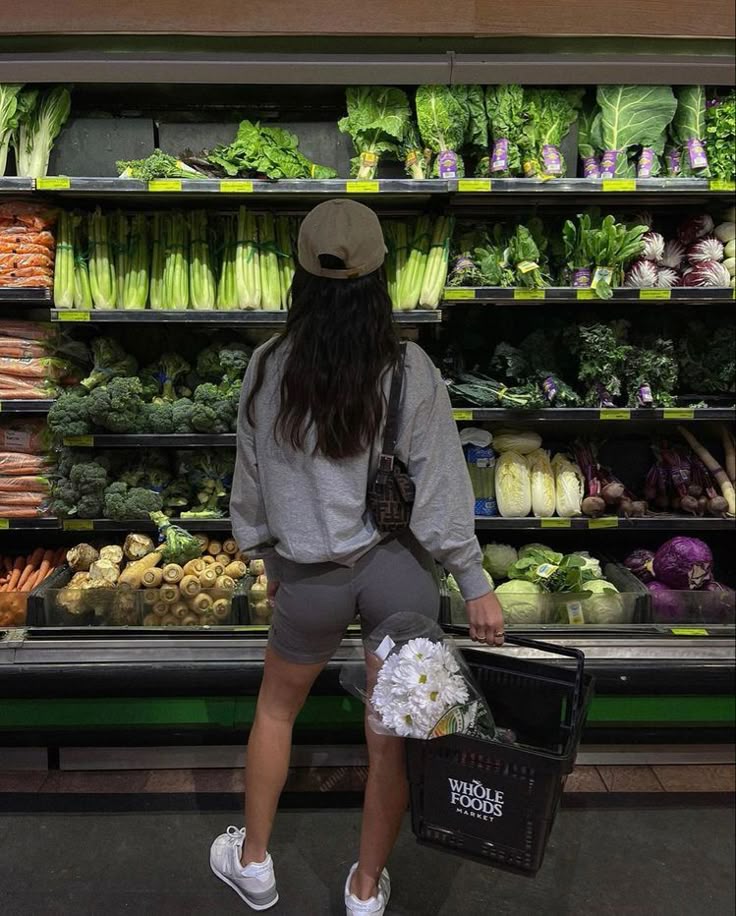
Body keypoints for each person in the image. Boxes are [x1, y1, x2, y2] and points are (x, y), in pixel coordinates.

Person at [209, 199, 504, 915]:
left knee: (276, 713)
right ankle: (365, 890)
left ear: (300, 275)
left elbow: (249, 484)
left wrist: (268, 561)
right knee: (388, 739)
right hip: (396, 570)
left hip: (307, 577)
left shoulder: (268, 365)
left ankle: (253, 863)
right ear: (381, 277)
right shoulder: (409, 367)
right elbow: (437, 486)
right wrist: (473, 579)